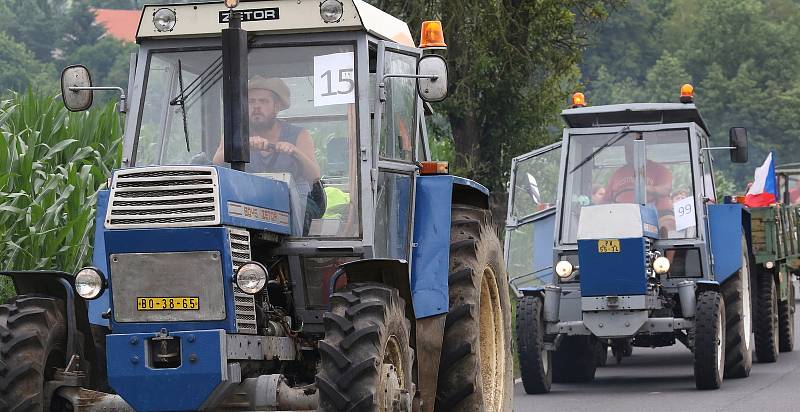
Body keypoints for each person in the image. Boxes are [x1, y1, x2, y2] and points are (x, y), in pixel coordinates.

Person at [213, 76, 324, 229]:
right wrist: (242, 146)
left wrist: (295, 152)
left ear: (276, 106)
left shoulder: (299, 135)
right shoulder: (234, 136)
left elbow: (314, 176)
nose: (256, 107)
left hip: (292, 206)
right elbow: (215, 164)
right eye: (251, 102)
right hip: (248, 205)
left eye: (263, 101)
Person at [602, 139, 675, 235]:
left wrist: (648, 189)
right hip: (623, 214)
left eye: (633, 151)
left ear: (643, 151)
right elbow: (605, 200)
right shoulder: (618, 173)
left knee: (668, 225)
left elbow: (666, 189)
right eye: (628, 151)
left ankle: (664, 249)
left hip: (656, 213)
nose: (631, 154)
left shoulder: (659, 169)